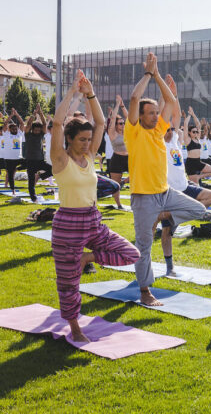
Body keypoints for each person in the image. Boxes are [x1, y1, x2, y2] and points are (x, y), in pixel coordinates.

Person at [50, 70, 140, 342]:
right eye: (82, 139)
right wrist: (71, 92)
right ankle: (75, 328)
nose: (88, 144)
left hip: (93, 220)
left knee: (131, 254)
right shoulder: (60, 159)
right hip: (68, 225)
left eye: (89, 140)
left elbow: (100, 122)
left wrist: (90, 94)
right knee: (69, 284)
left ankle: (87, 258)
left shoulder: (89, 156)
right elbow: (57, 123)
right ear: (69, 139)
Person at [126, 52, 209, 306]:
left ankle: (165, 217)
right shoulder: (134, 132)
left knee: (200, 210)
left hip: (165, 194)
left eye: (156, 112)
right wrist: (148, 74)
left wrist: (158, 75)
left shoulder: (159, 130)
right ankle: (145, 291)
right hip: (143, 198)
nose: (155, 116)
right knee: (144, 247)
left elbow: (171, 101)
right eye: (151, 113)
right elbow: (134, 98)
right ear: (140, 116)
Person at [160, 88, 211, 276]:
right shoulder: (159, 143)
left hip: (185, 186)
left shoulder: (175, 140)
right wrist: (164, 95)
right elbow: (163, 114)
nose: (171, 131)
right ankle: (170, 267)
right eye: (167, 129)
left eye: (172, 129)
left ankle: (173, 215)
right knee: (167, 233)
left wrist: (173, 94)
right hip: (170, 192)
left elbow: (176, 115)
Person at [106, 96, 130, 209]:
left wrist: (122, 106)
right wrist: (116, 105)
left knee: (139, 174)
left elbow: (129, 119)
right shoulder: (113, 133)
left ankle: (124, 182)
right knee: (115, 184)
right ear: (116, 125)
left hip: (129, 158)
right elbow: (113, 118)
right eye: (120, 123)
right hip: (117, 159)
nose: (123, 124)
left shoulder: (128, 132)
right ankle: (119, 205)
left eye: (123, 123)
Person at [22, 104, 49, 202]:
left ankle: (40, 176)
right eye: (36, 130)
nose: (37, 131)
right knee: (31, 181)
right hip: (30, 161)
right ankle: (34, 198)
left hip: (40, 160)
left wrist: (40, 112)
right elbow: (29, 124)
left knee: (53, 170)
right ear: (32, 130)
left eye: (39, 130)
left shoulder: (41, 134)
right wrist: (34, 114)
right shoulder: (28, 134)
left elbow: (44, 124)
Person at [2, 109, 24, 195]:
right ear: (9, 129)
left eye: (16, 129)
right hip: (9, 159)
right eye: (13, 129)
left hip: (18, 158)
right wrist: (11, 115)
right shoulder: (6, 134)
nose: (15, 130)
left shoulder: (19, 134)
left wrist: (17, 114)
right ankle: (13, 190)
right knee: (10, 175)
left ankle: (17, 168)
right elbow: (5, 124)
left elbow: (22, 123)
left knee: (28, 162)